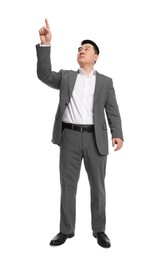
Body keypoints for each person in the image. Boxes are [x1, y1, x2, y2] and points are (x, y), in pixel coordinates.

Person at [36, 19, 124, 248]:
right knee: (67, 185)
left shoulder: (105, 82)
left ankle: (99, 230)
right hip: (70, 137)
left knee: (98, 186)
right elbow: (44, 75)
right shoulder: (66, 77)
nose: (81, 50)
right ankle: (65, 230)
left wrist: (118, 133)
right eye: (79, 48)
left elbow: (112, 109)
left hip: (97, 139)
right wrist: (45, 44)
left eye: (86, 49)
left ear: (96, 56)